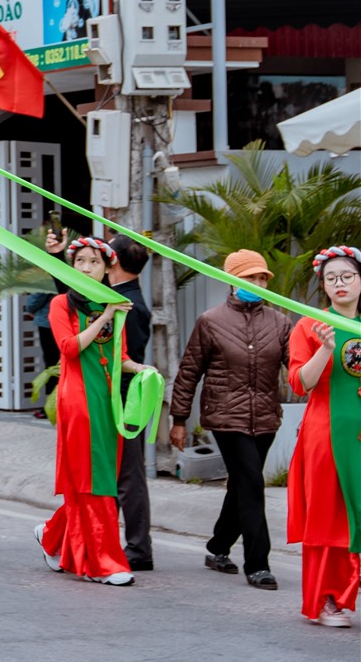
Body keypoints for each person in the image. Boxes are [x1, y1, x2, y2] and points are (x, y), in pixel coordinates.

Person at [168, 249, 290, 590]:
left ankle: (218, 547)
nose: (257, 283)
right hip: (225, 417)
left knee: (241, 486)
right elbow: (189, 372)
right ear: (231, 280)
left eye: (261, 277)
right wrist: (179, 419)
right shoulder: (211, 321)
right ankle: (258, 564)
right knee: (252, 483)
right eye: (250, 277)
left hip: (265, 418)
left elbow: (296, 368)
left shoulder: (280, 322)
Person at [37, 236, 144, 585]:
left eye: (94, 262)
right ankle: (102, 564)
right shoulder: (61, 305)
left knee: (94, 479)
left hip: (106, 399)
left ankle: (52, 535)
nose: (86, 267)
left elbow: (120, 358)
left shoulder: (115, 305)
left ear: (106, 268)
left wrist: (142, 370)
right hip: (77, 400)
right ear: (72, 265)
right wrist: (106, 316)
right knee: (94, 479)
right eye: (80, 260)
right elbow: (69, 348)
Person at [285, 246, 361, 628]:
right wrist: (326, 349)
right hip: (326, 433)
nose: (340, 284)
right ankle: (327, 599)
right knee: (329, 515)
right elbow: (300, 383)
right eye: (331, 278)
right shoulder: (311, 325)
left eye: (347, 275)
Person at [106, 234, 156, 572]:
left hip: (125, 399)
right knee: (120, 474)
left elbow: (127, 357)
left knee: (129, 476)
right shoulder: (121, 298)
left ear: (115, 262)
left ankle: (138, 549)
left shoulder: (130, 305)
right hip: (122, 397)